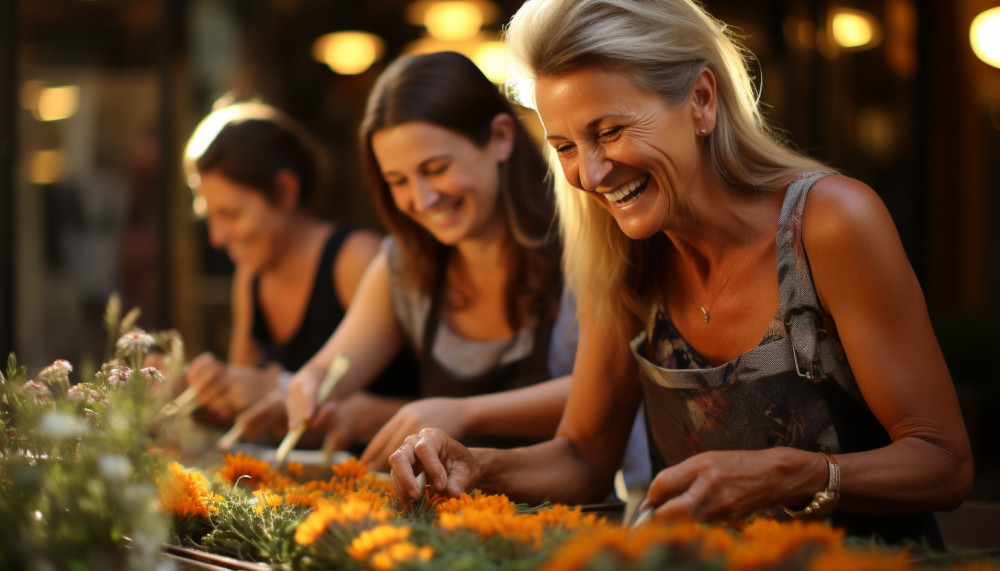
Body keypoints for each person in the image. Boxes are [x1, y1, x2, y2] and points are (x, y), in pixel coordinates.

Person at [387, 0, 974, 546]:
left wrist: (787, 474)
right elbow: (586, 457)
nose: (589, 174)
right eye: (564, 145)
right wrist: (477, 464)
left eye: (610, 131)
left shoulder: (829, 222)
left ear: (700, 100)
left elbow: (944, 463)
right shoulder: (618, 256)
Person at [284, 51, 591, 473]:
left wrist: (463, 413)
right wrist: (310, 383)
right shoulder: (403, 266)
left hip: (580, 517)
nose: (424, 198)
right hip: (452, 526)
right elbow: (333, 367)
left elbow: (604, 395)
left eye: (437, 168)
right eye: (398, 181)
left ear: (501, 138)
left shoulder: (585, 249)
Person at [181, 100, 417, 446]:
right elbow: (247, 422)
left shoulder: (356, 260)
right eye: (210, 217)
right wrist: (188, 392)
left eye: (231, 214)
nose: (217, 237)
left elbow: (433, 402)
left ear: (285, 191)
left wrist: (272, 388)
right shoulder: (251, 277)